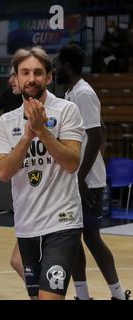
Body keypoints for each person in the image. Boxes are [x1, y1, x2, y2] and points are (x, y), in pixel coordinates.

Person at [0, 46, 85, 300]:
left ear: (49, 77)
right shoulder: (5, 122)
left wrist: (43, 131)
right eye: (25, 72)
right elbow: (3, 172)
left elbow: (72, 162)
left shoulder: (67, 110)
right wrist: (27, 136)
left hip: (62, 222)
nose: (31, 78)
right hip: (27, 226)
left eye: (37, 72)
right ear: (16, 78)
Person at [56, 44, 130, 300]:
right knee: (74, 239)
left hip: (88, 181)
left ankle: (119, 295)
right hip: (76, 179)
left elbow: (97, 137)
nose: (54, 69)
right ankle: (83, 295)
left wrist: (79, 177)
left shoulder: (84, 93)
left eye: (56, 64)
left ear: (66, 65)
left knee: (92, 239)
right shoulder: (70, 94)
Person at [0, 67, 25, 283]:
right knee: (23, 264)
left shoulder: (49, 114)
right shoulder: (8, 118)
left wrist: (0, 159)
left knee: (19, 262)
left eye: (14, 75)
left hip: (43, 207)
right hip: (26, 206)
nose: (10, 80)